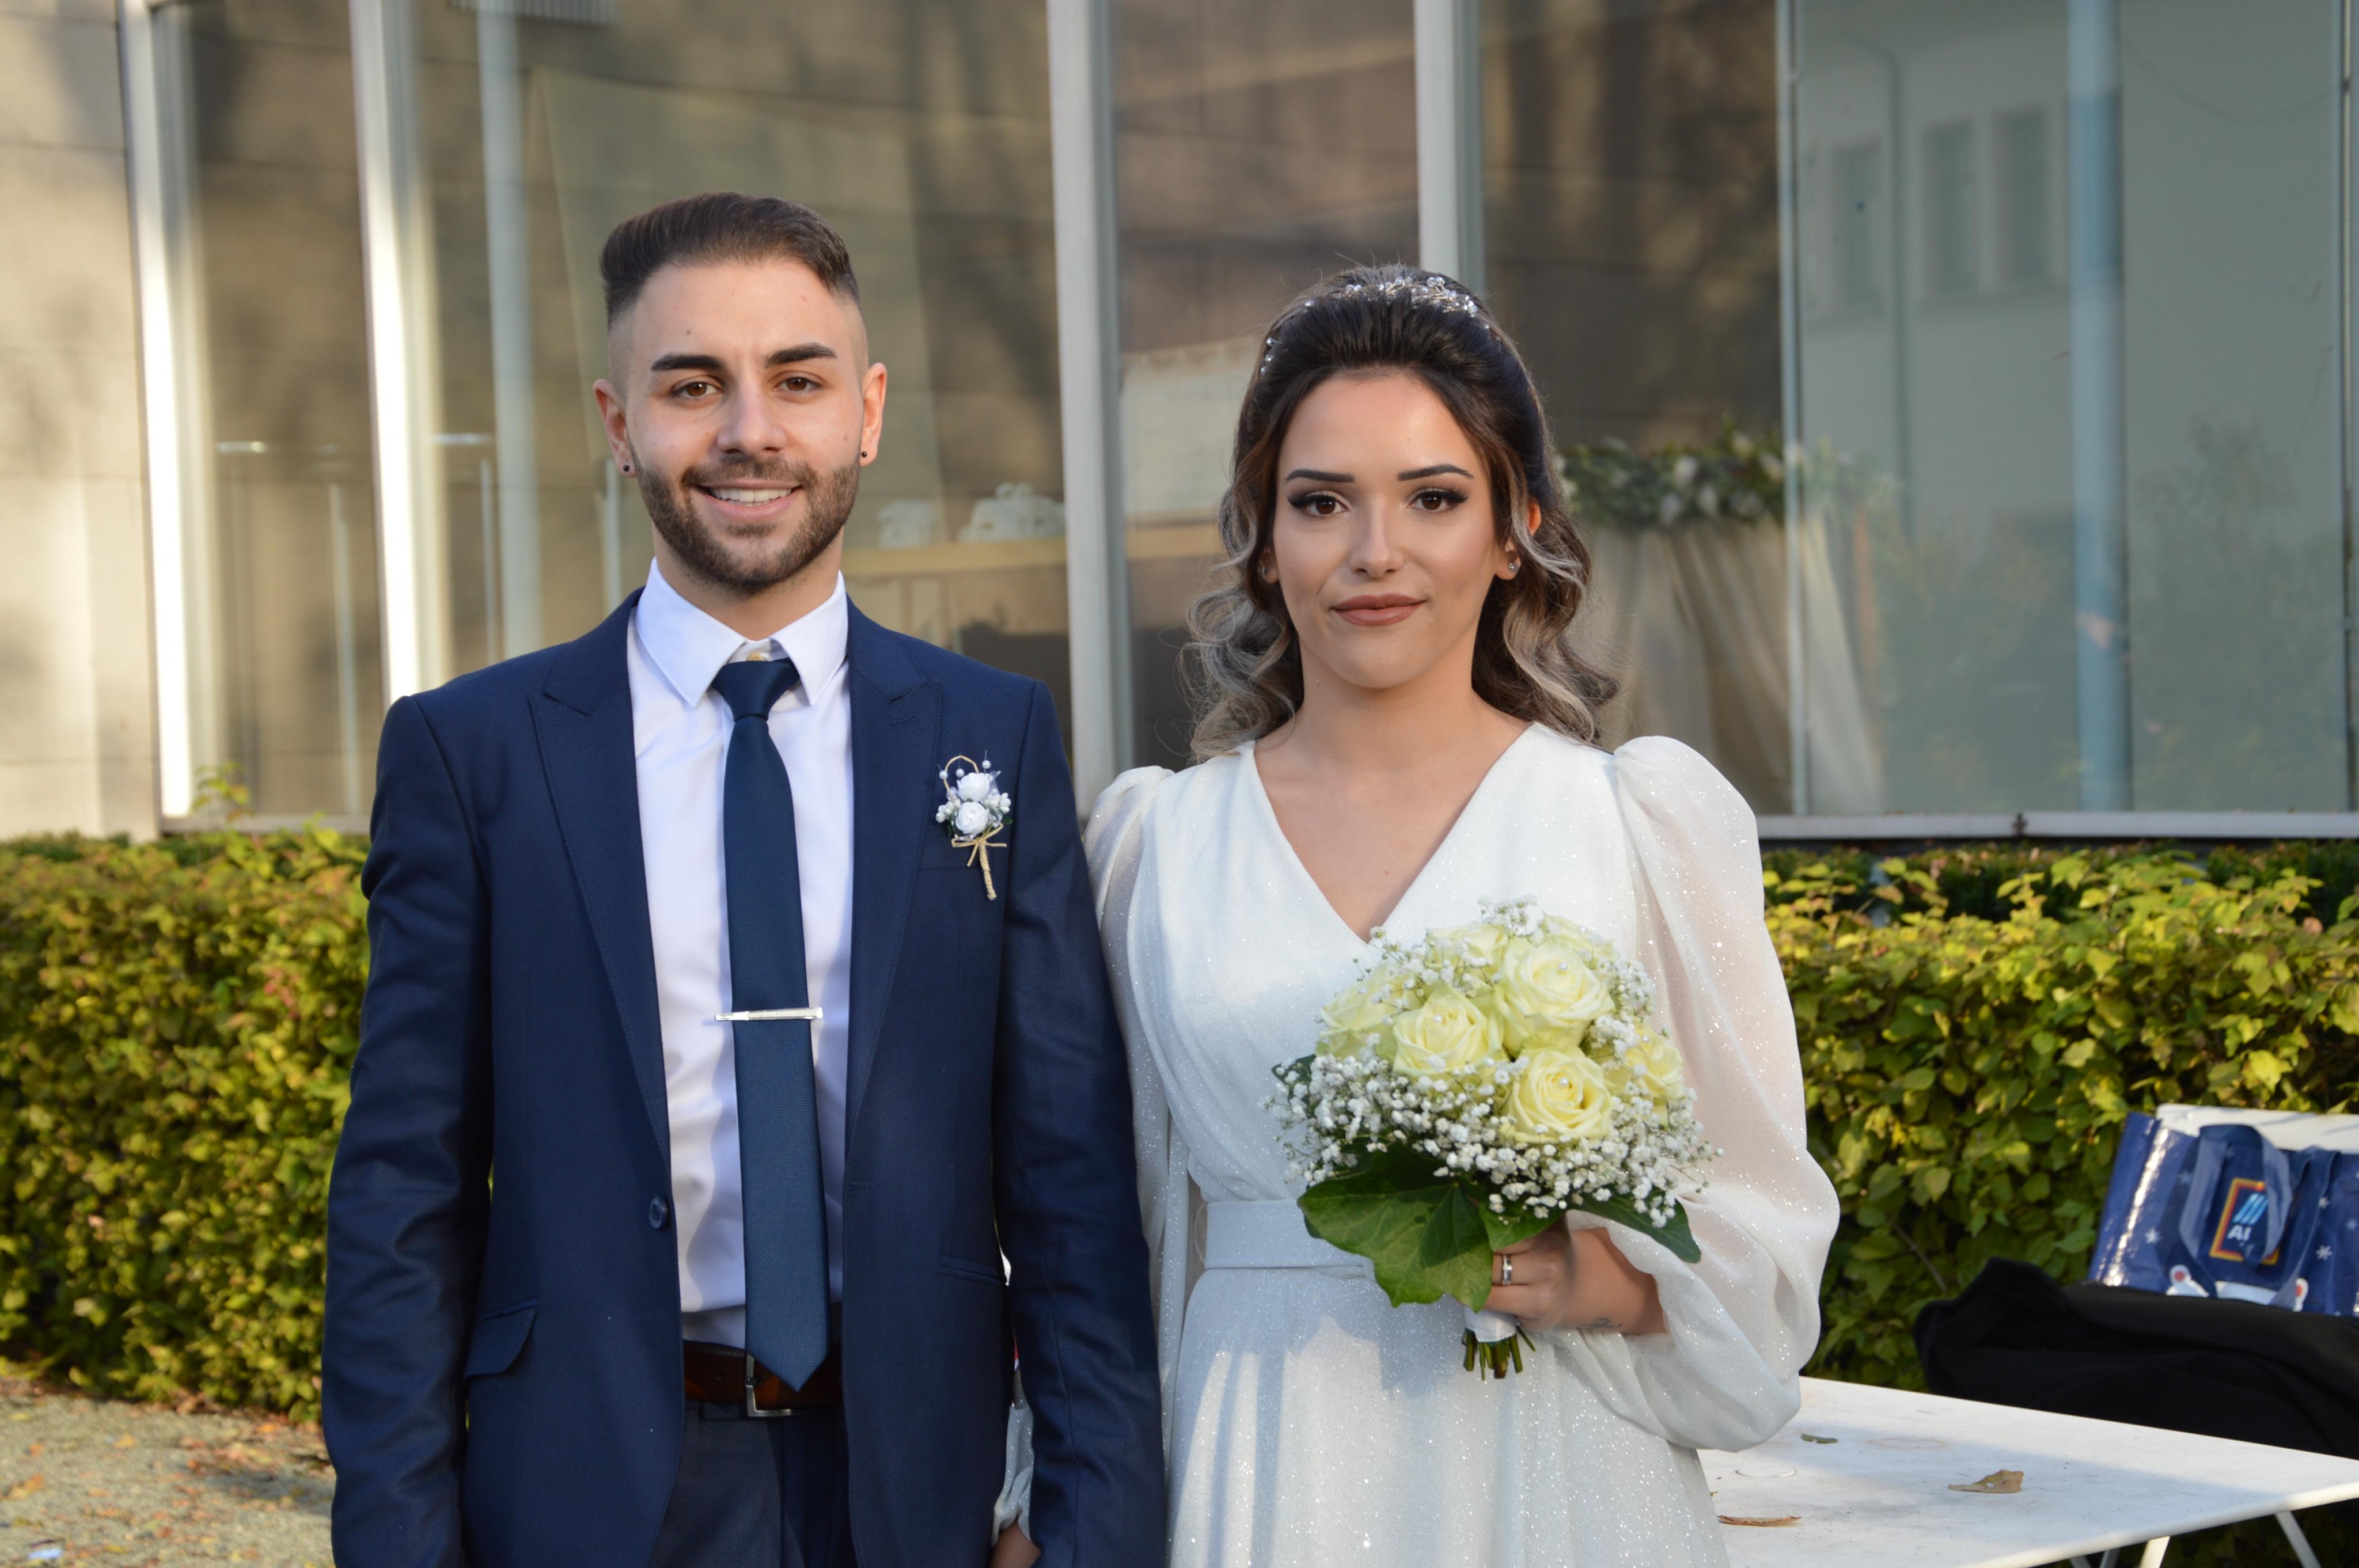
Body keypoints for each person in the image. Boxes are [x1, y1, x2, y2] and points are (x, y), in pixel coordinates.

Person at [323, 192, 1163, 1568]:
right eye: (691, 385)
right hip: (582, 1492)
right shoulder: (474, 753)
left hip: (914, 1489)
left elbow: (1068, 1184)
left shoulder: (992, 733)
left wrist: (1084, 1532)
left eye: (797, 380)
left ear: (868, 413)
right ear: (618, 425)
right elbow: (401, 1197)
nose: (748, 431)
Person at [1084, 265, 1838, 1566]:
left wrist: (1609, 1278)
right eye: (1320, 502)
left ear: (1512, 529)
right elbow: (1106, 1230)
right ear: (1264, 540)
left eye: (1432, 499)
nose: (1373, 552)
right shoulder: (1154, 847)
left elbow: (1758, 1199)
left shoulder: (1635, 823)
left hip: (1556, 1453)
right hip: (1266, 1451)